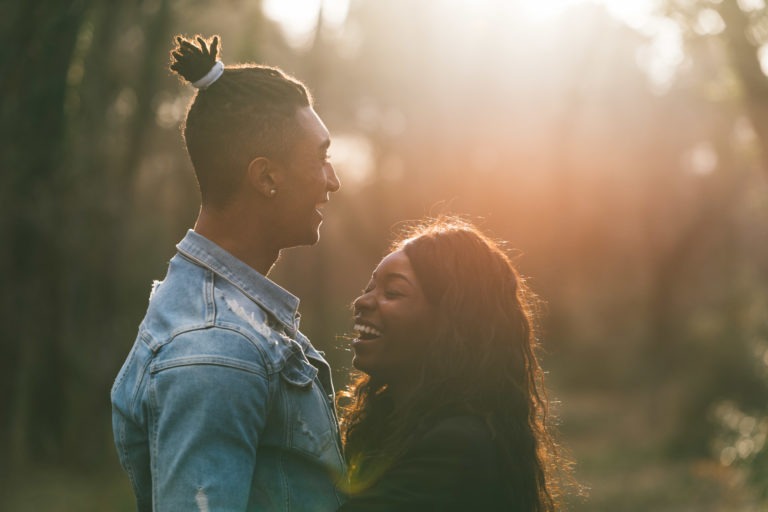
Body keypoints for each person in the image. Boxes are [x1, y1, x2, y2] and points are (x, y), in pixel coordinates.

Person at [111, 35, 344, 511]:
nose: (332, 179)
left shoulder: (225, 321)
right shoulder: (216, 349)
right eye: (320, 158)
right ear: (266, 178)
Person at [338, 217, 570, 511]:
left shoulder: (456, 444)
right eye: (369, 288)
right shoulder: (391, 424)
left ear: (450, 324)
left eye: (392, 292)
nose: (362, 302)